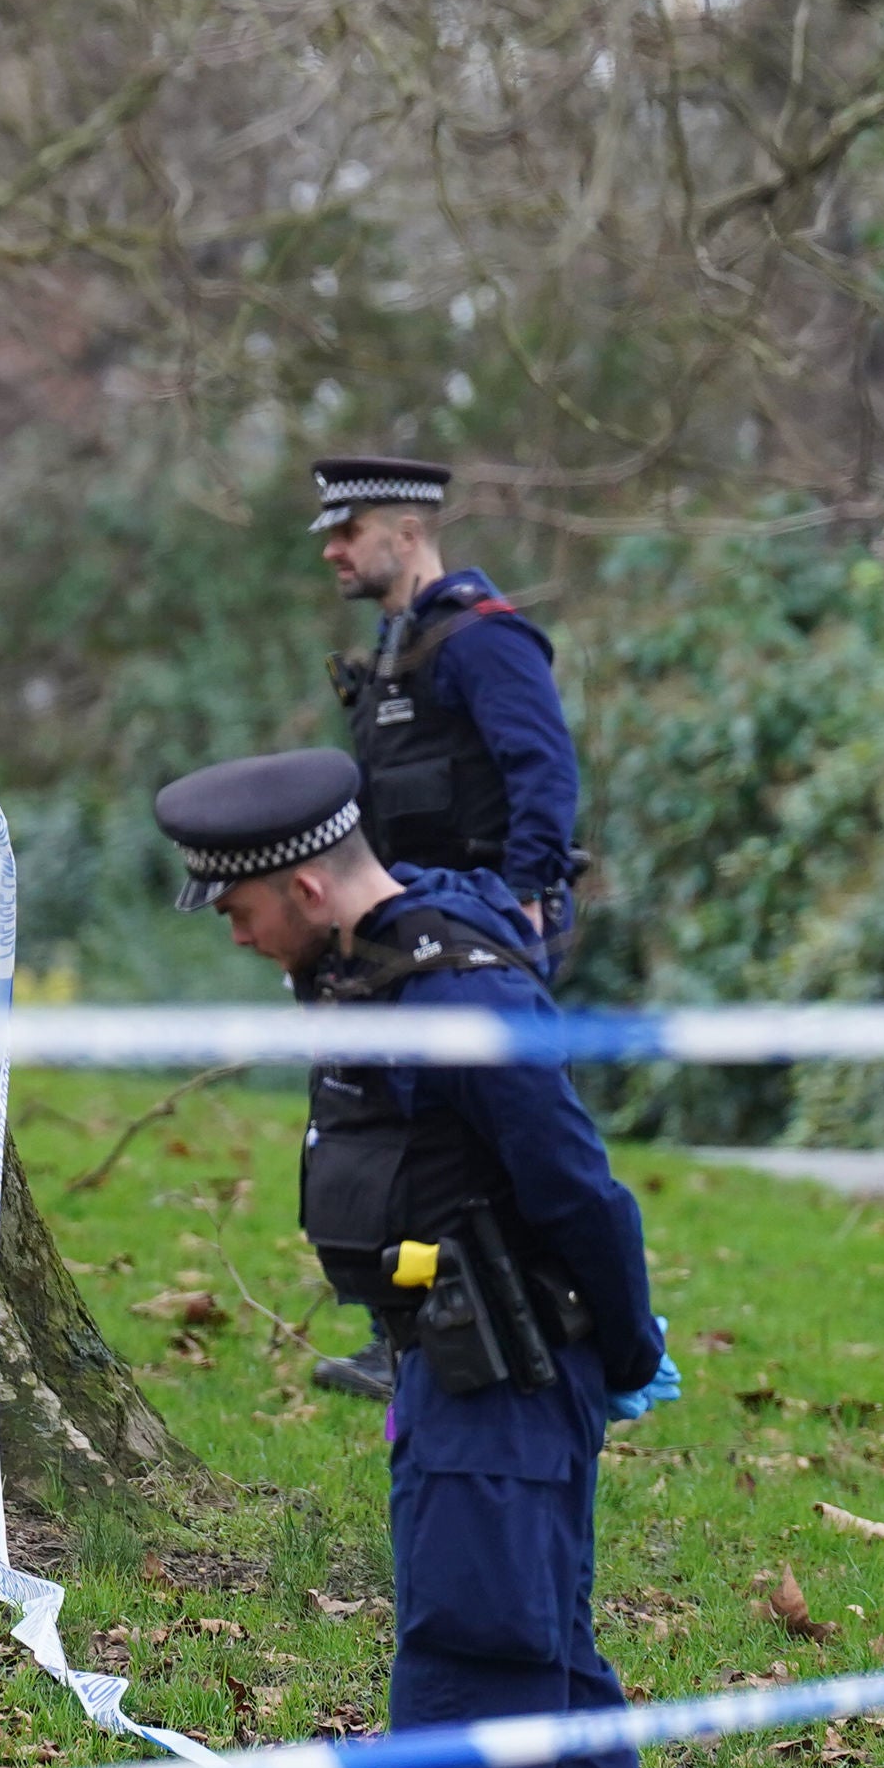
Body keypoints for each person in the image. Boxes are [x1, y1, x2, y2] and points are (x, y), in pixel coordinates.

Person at [154, 747, 685, 1768]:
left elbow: (578, 1185)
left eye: (235, 905)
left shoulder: (451, 987)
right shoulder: (368, 969)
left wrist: (622, 1348)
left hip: (506, 1386)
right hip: (453, 1375)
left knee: (468, 1681)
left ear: (300, 881)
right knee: (550, 1678)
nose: (229, 930)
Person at [311, 455, 590, 1404]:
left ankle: (539, 1318)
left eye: (348, 533)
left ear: (408, 531)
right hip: (413, 928)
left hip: (482, 931)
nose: (334, 552)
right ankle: (414, 1330)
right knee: (403, 1135)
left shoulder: (480, 640)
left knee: (478, 1142)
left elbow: (545, 776)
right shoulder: (399, 647)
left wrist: (522, 900)